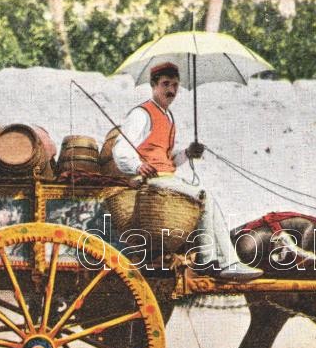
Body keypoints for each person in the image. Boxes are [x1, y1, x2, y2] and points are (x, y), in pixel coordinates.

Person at [112, 61, 263, 281]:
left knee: (206, 197)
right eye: (165, 84)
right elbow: (120, 149)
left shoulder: (168, 117)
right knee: (203, 196)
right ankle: (214, 261)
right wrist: (137, 165)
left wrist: (187, 153)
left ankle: (222, 261)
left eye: (174, 85)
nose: (171, 90)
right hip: (152, 183)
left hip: (166, 179)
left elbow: (167, 160)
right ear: (154, 86)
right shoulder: (142, 114)